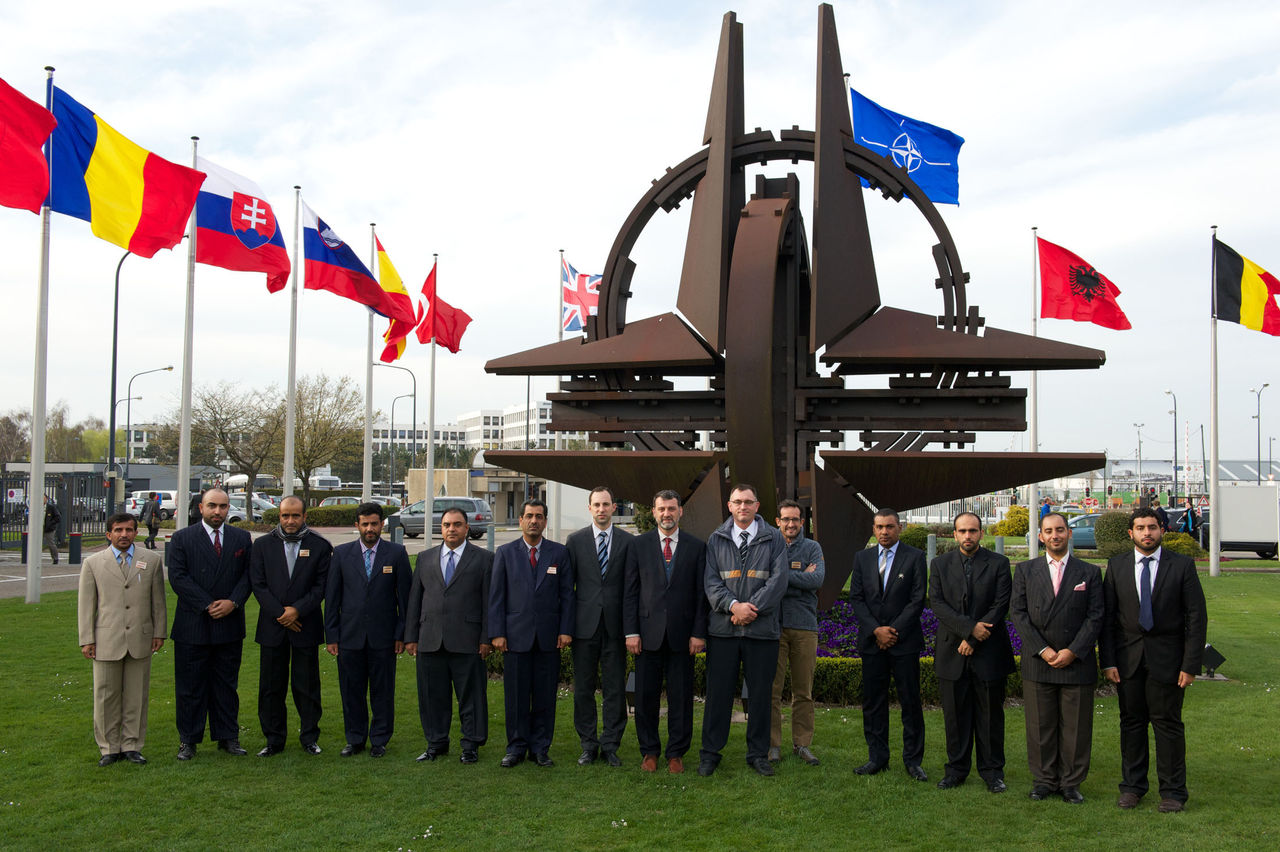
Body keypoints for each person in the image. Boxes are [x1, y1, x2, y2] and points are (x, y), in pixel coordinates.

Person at [1101, 507, 1208, 813]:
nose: (1146, 533)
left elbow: (1196, 618)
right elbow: (1108, 619)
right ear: (1131, 533)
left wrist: (1190, 665)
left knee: (1168, 725)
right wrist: (1108, 661)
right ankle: (1132, 787)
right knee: (1131, 724)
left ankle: (1173, 792)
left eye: (1151, 527)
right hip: (1128, 661)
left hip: (1169, 662)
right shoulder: (1117, 566)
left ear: (1162, 529)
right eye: (1140, 528)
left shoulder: (1182, 565)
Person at [1010, 511, 1104, 804]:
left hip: (1076, 661)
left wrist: (1072, 651)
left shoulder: (1089, 572)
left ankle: (1071, 783)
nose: (1055, 535)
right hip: (1039, 660)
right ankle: (1044, 780)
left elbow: (1096, 616)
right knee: (1040, 726)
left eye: (1060, 530)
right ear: (1040, 536)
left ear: (1069, 533)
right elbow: (1018, 613)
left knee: (1076, 728)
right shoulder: (1025, 571)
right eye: (1049, 531)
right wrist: (1043, 649)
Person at [698, 483, 789, 778]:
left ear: (757, 506)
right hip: (723, 632)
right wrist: (733, 606)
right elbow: (711, 582)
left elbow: (779, 581)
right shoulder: (716, 539)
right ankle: (710, 753)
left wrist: (750, 609)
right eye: (737, 502)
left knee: (760, 696)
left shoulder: (774, 538)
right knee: (718, 695)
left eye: (748, 502)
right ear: (729, 506)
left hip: (761, 632)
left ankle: (758, 755)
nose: (743, 507)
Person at [623, 490, 708, 774]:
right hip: (647, 636)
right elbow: (630, 593)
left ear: (680, 511)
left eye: (671, 508)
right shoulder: (638, 546)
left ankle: (676, 753)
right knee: (645, 697)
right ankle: (649, 751)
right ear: (654, 512)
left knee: (681, 698)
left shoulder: (697, 547)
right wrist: (631, 632)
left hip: (683, 637)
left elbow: (701, 596)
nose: (666, 514)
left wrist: (698, 633)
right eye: (661, 509)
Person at [929, 512, 1015, 793]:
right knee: (955, 717)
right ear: (954, 534)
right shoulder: (940, 564)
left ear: (981, 533)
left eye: (973, 531)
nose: (968, 536)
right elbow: (938, 604)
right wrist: (969, 631)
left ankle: (992, 772)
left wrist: (975, 640)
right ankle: (956, 770)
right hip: (952, 650)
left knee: (990, 717)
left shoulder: (999, 564)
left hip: (989, 651)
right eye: (963, 531)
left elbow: (1000, 604)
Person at [167, 487, 252, 760]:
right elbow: (178, 577)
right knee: (190, 687)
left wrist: (233, 602)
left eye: (223, 506)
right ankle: (188, 740)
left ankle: (228, 737)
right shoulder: (182, 538)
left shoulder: (241, 538)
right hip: (193, 624)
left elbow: (249, 576)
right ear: (201, 508)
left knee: (226, 686)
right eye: (212, 506)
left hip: (229, 623)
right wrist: (207, 604)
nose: (218, 511)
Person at [404, 506, 493, 765]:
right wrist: (411, 636)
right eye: (446, 525)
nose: (451, 529)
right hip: (430, 639)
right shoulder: (425, 558)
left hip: (468, 640)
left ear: (467, 528)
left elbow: (489, 603)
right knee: (432, 696)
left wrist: (486, 638)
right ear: (440, 528)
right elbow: (414, 600)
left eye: (457, 524)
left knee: (471, 697)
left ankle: (471, 745)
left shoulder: (484, 559)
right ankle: (436, 743)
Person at [489, 498, 574, 767]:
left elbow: (567, 596)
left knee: (545, 696)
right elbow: (496, 597)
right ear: (520, 520)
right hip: (515, 638)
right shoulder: (505, 553)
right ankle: (515, 747)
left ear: (545, 522)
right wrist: (497, 632)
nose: (534, 521)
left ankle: (540, 748)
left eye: (539, 516)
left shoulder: (559, 553)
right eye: (529, 516)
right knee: (515, 696)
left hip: (549, 638)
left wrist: (565, 630)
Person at [77, 512, 167, 766]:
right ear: (109, 534)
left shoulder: (151, 561)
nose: (124, 535)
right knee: (106, 696)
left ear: (136, 532)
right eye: (118, 530)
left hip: (141, 637)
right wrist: (87, 639)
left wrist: (159, 632)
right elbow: (86, 605)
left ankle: (132, 745)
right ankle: (108, 748)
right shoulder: (93, 563)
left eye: (128, 530)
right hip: (106, 639)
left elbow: (158, 601)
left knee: (137, 695)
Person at [324, 502, 412, 758]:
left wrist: (401, 634)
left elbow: (405, 599)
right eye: (365, 524)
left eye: (374, 524)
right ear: (357, 525)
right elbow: (332, 598)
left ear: (382, 524)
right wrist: (332, 635)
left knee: (382, 692)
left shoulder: (396, 553)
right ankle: (355, 739)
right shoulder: (341, 554)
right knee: (351, 691)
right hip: (349, 636)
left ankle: (380, 740)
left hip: (384, 637)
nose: (370, 529)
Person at [249, 495, 332, 756]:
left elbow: (321, 586)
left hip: (305, 625)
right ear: (279, 516)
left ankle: (309, 738)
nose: (290, 520)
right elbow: (258, 585)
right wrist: (281, 614)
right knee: (271, 687)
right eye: (285, 515)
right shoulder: (262, 545)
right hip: (272, 627)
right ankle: (274, 740)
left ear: (305, 516)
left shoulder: (320, 546)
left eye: (296, 515)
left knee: (307, 686)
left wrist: (297, 611)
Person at [849, 508, 928, 781]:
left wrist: (892, 631)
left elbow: (917, 599)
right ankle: (877, 758)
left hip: (904, 642)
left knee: (910, 703)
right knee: (873, 703)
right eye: (880, 527)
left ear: (899, 528)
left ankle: (913, 761)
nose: (884, 532)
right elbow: (857, 598)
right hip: (872, 643)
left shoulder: (915, 557)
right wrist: (876, 630)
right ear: (874, 529)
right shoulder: (862, 558)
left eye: (890, 526)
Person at [567, 486, 634, 767]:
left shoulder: (628, 542)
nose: (601, 509)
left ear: (614, 507)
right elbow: (567, 589)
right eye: (597, 505)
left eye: (606, 504)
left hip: (616, 628)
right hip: (584, 627)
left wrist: (631, 629)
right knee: (583, 689)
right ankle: (588, 745)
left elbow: (632, 589)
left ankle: (610, 745)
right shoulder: (575, 541)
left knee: (614, 689)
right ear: (590, 508)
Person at [768, 499, 825, 766]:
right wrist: (798, 575)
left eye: (795, 519)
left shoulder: (812, 548)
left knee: (803, 691)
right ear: (777, 521)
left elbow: (816, 580)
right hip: (774, 627)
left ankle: (802, 744)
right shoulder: (769, 545)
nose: (790, 524)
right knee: (772, 690)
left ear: (802, 522)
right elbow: (762, 579)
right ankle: (772, 745)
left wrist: (780, 576)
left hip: (804, 627)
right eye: (785, 519)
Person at [43, 495, 61, 564]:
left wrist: (51, 523)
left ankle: (55, 558)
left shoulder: (51, 507)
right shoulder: (36, 507)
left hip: (49, 528)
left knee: (51, 543)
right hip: (39, 528)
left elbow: (58, 517)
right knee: (35, 543)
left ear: (46, 499)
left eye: (43, 498)